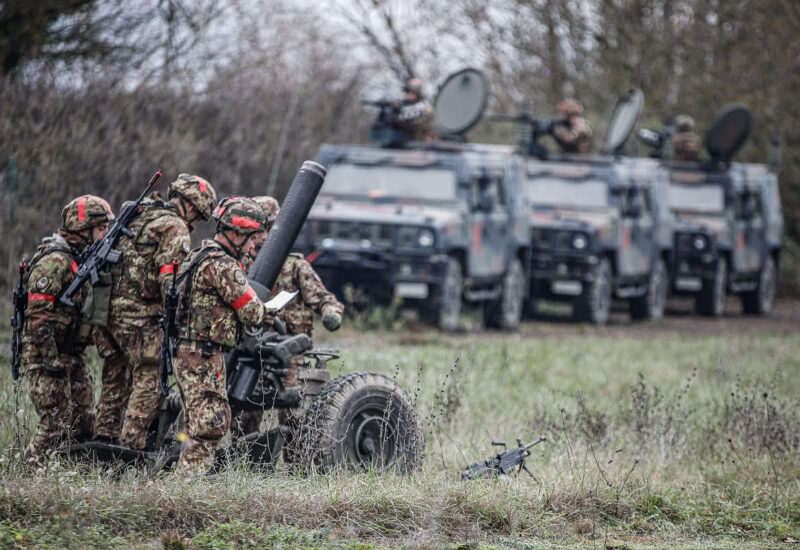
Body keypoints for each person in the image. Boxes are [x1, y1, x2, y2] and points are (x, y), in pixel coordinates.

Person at [92, 174, 218, 450]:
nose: (194, 225)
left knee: (115, 374)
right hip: (141, 319)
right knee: (149, 378)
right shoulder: (174, 227)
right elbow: (170, 280)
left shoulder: (137, 214)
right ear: (193, 207)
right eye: (198, 218)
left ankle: (103, 440)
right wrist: (181, 319)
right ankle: (129, 447)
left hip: (105, 314)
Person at [171, 196, 275, 475]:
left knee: (197, 423)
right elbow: (252, 312)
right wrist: (268, 312)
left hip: (187, 352)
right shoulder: (223, 265)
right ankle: (185, 490)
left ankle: (182, 486)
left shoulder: (198, 256)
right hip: (203, 356)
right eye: (252, 238)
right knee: (210, 425)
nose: (254, 245)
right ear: (237, 233)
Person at [233, 195, 344, 437]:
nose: (263, 235)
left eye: (269, 228)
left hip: (289, 355)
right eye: (259, 228)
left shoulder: (294, 266)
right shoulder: (238, 263)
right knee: (243, 411)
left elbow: (324, 299)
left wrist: (331, 313)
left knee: (295, 410)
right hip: (251, 352)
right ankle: (246, 460)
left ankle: (297, 465)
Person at [22, 195, 114, 463]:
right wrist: (50, 359)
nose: (104, 234)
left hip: (71, 356)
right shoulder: (56, 262)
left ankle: (70, 474)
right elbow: (38, 315)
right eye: (99, 228)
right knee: (55, 423)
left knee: (84, 424)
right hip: (47, 356)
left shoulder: (79, 259)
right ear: (82, 229)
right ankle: (28, 476)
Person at [394, 77, 437, 142]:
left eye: (412, 92)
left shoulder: (425, 107)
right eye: (407, 92)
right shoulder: (401, 106)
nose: (409, 94)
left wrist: (402, 122)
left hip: (421, 143)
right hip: (402, 143)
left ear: (418, 93)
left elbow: (419, 124)